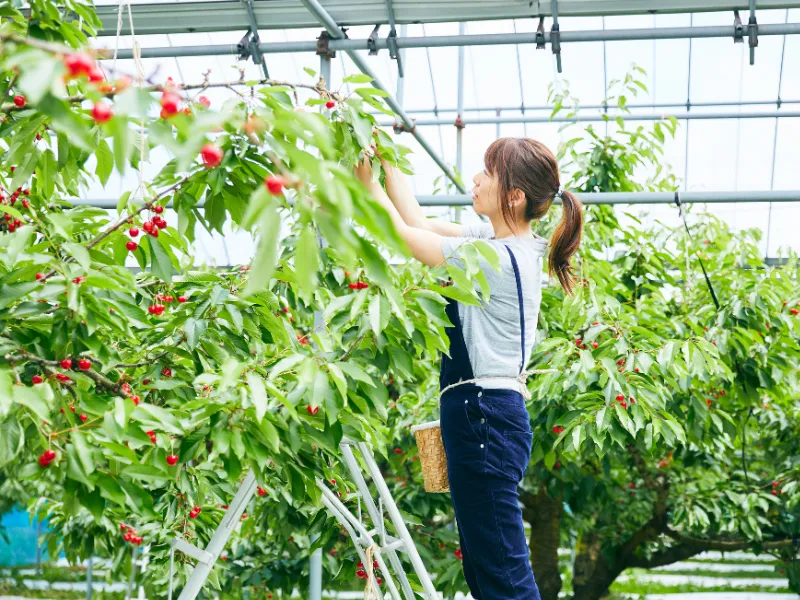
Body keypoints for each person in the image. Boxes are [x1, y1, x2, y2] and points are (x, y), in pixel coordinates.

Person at [355, 137, 583, 600]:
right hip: (480, 417)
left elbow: (405, 238)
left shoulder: (497, 258)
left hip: (484, 416)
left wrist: (367, 186)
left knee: (503, 574)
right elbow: (419, 223)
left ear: (513, 196)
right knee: (485, 571)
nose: (476, 180)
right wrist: (384, 163)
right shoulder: (496, 244)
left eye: (488, 173)